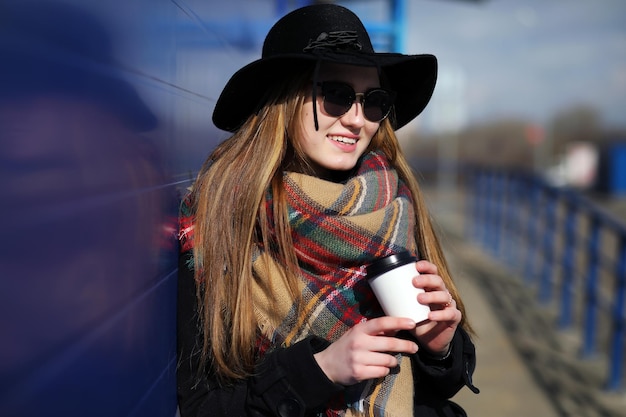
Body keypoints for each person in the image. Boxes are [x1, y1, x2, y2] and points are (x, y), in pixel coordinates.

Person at [177, 4, 479, 417]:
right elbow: (204, 406)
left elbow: (434, 384)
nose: (357, 120)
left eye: (373, 101)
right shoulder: (221, 218)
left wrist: (439, 347)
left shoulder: (394, 204)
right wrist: (320, 371)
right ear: (283, 99)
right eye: (335, 96)